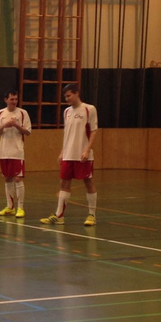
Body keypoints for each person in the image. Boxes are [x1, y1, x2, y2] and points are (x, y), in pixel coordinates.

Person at [41, 83, 98, 227]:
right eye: (65, 97)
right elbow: (67, 133)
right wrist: (62, 151)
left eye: (69, 96)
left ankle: (92, 215)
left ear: (77, 93)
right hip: (68, 154)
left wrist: (87, 150)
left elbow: (94, 131)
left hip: (82, 155)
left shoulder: (89, 109)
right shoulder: (66, 112)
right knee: (64, 183)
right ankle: (59, 215)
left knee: (88, 182)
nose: (66, 99)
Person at [0, 89, 31, 218]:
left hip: (17, 151)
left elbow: (28, 132)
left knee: (18, 178)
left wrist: (16, 125)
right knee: (7, 178)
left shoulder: (23, 113)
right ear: (6, 100)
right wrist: (5, 125)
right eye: (11, 99)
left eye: (16, 99)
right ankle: (10, 207)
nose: (14, 101)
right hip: (4, 151)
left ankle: (20, 208)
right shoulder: (0, 113)